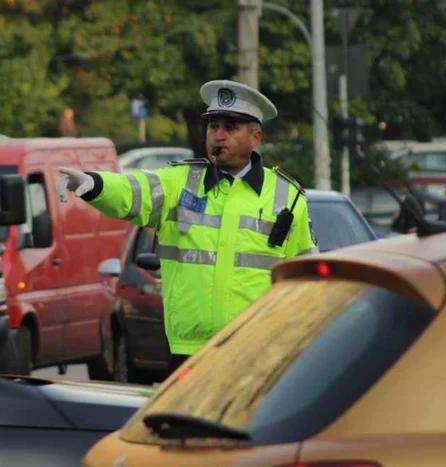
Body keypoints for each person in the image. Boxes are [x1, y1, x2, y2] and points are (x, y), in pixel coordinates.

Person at [58, 80, 317, 374]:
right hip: (188, 351)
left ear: (255, 136)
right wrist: (94, 184)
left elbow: (305, 278)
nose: (218, 135)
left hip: (256, 349)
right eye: (213, 126)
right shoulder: (178, 182)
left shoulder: (288, 196)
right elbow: (133, 191)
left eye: (230, 127)